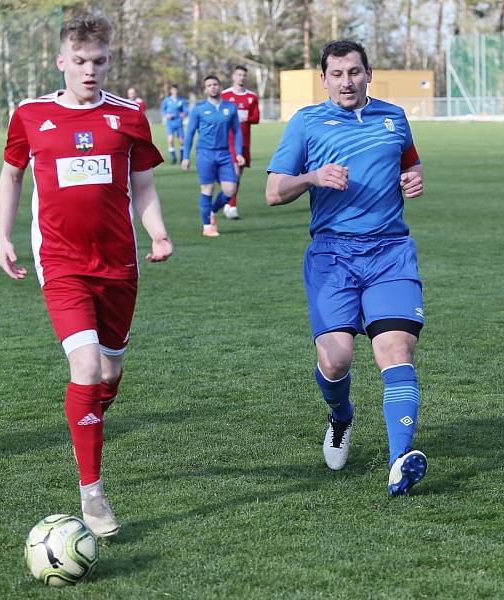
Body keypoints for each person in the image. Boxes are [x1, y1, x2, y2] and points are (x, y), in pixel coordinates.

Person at [0, 15, 173, 538]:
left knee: (110, 372)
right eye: (79, 62)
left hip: (119, 264)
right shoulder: (30, 114)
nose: (89, 71)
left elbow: (143, 188)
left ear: (108, 61)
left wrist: (158, 233)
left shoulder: (129, 116)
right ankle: (92, 492)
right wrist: (4, 236)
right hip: (62, 262)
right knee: (87, 366)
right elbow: (10, 175)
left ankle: (92, 418)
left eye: (98, 61)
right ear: (60, 62)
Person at [266, 40, 427, 497]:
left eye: (354, 72)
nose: (346, 82)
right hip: (333, 256)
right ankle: (341, 416)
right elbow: (274, 191)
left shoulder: (394, 116)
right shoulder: (307, 123)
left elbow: (409, 163)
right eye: (337, 74)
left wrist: (413, 178)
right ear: (324, 79)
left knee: (396, 350)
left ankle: (399, 463)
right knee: (336, 360)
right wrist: (312, 178)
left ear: (368, 73)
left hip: (391, 252)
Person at [182, 75, 244, 237]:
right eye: (209, 85)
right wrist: (186, 157)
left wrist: (238, 153)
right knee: (207, 189)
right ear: (205, 89)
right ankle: (207, 226)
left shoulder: (230, 107)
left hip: (224, 154)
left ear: (220, 86)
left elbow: (237, 131)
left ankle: (211, 211)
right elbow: (189, 134)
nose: (212, 87)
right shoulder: (198, 109)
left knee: (230, 190)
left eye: (215, 84)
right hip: (205, 154)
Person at [220, 65, 260, 220]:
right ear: (233, 76)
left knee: (238, 175)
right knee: (234, 173)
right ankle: (231, 205)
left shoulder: (252, 97)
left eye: (244, 75)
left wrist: (245, 118)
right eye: (239, 74)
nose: (241, 77)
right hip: (227, 140)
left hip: (244, 141)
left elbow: (256, 118)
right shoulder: (224, 95)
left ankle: (228, 202)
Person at [160, 84, 188, 164]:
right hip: (170, 123)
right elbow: (162, 110)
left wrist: (184, 113)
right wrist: (166, 115)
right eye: (173, 90)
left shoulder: (182, 100)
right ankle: (173, 158)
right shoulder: (167, 100)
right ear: (171, 91)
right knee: (170, 140)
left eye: (176, 90)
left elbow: (186, 110)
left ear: (177, 91)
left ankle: (182, 157)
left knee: (181, 141)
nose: (174, 91)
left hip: (179, 122)